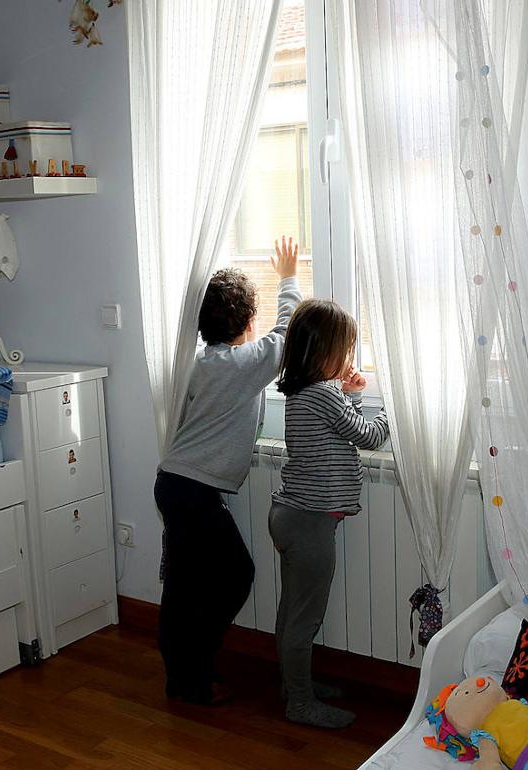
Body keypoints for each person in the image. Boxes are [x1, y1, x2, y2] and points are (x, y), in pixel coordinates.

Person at [154, 236, 301, 706]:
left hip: (175, 484)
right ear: (247, 322)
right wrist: (289, 278)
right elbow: (287, 336)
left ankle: (184, 671)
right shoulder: (242, 364)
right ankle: (192, 673)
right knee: (235, 574)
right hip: (192, 490)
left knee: (184, 584)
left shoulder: (198, 362)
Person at [269, 299, 389, 728]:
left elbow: (339, 427)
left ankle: (294, 686)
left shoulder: (305, 391)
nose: (351, 359)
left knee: (291, 614)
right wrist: (386, 405)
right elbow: (368, 436)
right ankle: (300, 703)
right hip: (310, 522)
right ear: (324, 352)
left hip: (292, 516)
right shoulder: (322, 394)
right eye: (347, 350)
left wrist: (351, 393)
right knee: (304, 619)